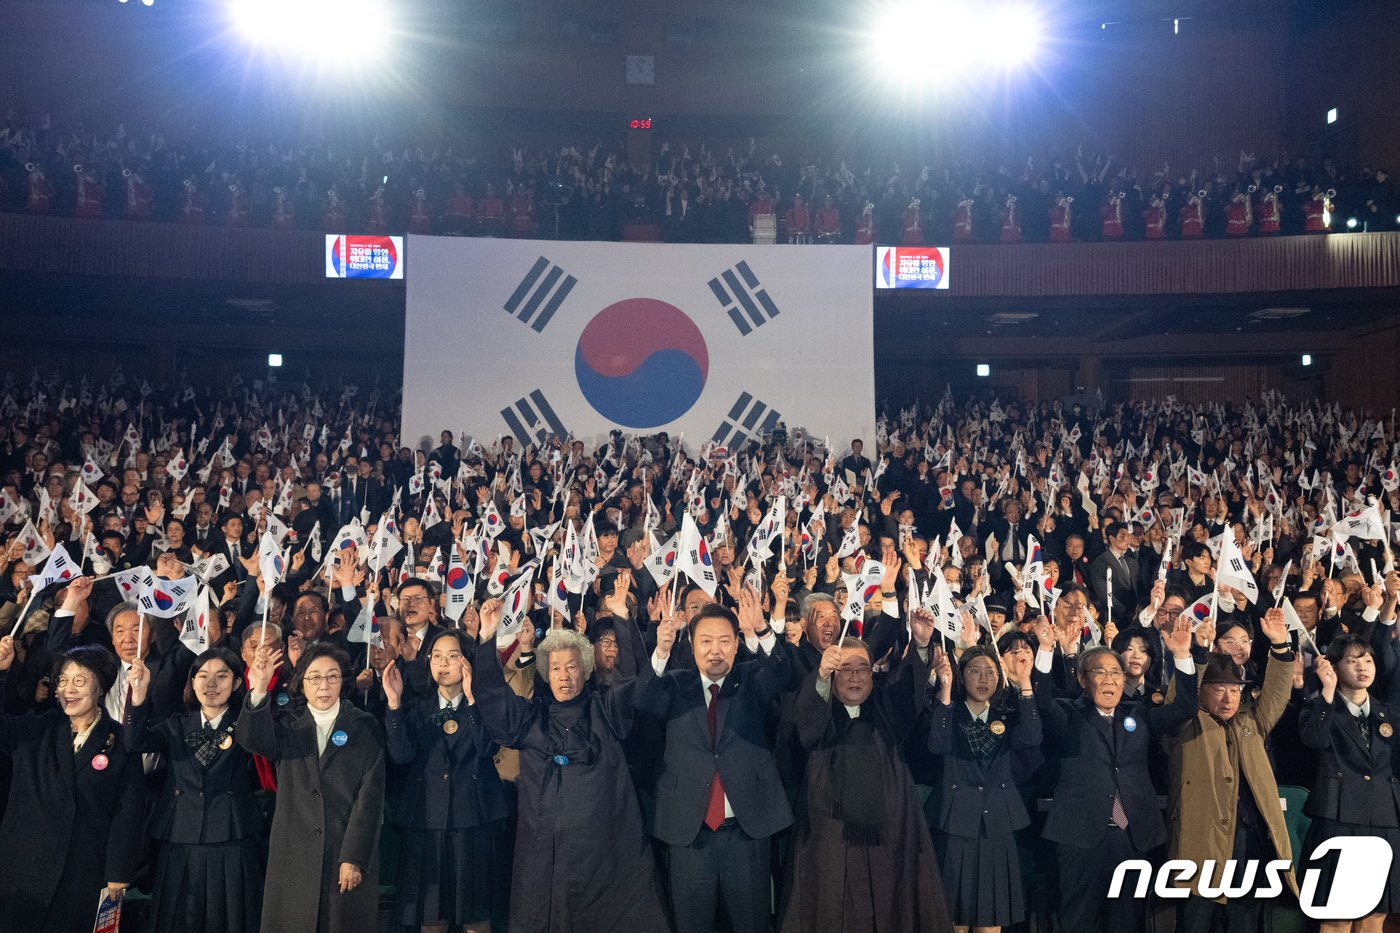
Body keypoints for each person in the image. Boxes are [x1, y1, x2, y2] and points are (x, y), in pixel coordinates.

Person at [472, 597, 667, 933]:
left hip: (604, 856)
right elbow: (492, 697)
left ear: (586, 669)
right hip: (543, 858)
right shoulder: (531, 718)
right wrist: (487, 638)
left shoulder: (605, 712)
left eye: (573, 666)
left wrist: (623, 620)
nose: (564, 676)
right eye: (557, 668)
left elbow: (627, 680)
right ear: (546, 673)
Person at [780, 607, 952, 933]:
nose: (856, 676)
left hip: (889, 840)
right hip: (829, 839)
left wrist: (919, 643)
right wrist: (819, 677)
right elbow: (806, 726)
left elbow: (906, 694)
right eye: (845, 669)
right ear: (832, 673)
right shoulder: (821, 710)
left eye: (863, 668)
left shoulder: (885, 710)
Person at [637, 589, 793, 933]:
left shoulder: (751, 679)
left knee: (752, 924)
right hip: (690, 834)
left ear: (737, 645)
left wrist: (763, 630)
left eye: (724, 641)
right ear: (690, 645)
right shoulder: (674, 684)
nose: (715, 650)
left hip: (746, 832)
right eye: (705, 641)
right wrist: (661, 650)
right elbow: (643, 699)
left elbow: (783, 675)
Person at [1032, 613, 1199, 933]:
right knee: (1077, 920)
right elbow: (1041, 702)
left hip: (1132, 835)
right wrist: (1044, 649)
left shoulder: (1139, 713)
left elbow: (1185, 709)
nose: (1109, 680)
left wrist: (1181, 655)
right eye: (1100, 672)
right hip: (1080, 835)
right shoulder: (1068, 714)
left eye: (1115, 673)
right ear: (1082, 679)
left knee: (1128, 921)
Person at [237, 642, 386, 933]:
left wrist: (353, 856)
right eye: (314, 677)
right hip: (293, 855)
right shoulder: (286, 724)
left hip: (342, 853)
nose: (324, 685)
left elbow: (370, 798)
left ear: (343, 681)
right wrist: (259, 689)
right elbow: (251, 739)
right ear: (301, 683)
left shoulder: (365, 726)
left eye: (332, 676)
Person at [0, 641, 145, 933]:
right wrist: (1, 673)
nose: (69, 689)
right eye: (63, 681)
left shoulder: (120, 741)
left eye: (79, 681)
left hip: (82, 866)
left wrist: (117, 871)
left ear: (101, 687)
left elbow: (127, 810)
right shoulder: (37, 729)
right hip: (24, 863)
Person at [1168, 607, 1297, 933]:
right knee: (1197, 921)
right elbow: (1179, 696)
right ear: (1202, 692)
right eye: (1219, 689)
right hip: (1205, 844)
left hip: (1252, 839)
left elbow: (1277, 694)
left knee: (1245, 921)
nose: (1229, 698)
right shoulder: (1187, 722)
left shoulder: (1251, 720)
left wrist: (1280, 646)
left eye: (1235, 690)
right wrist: (1194, 653)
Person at [125, 646, 265, 933]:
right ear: (192, 683)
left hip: (231, 836)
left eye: (221, 676)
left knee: (229, 919)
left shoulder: (246, 723)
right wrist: (138, 696)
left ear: (238, 682)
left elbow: (263, 742)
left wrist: (259, 690)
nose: (210, 684)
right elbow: (135, 742)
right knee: (178, 919)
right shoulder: (177, 723)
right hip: (180, 836)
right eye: (202, 676)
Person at [383, 628, 511, 933]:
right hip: (428, 821)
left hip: (474, 820)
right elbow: (401, 756)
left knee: (476, 916)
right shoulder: (416, 707)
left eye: (452, 656)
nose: (443, 664)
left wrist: (471, 698)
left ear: (467, 661)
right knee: (431, 916)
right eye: (436, 657)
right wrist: (393, 704)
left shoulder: (481, 704)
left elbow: (487, 747)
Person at [927, 641, 1041, 933]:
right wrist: (945, 690)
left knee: (991, 920)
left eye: (990, 673)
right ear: (961, 675)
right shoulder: (947, 712)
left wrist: (1024, 682)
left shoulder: (1008, 715)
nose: (983, 679)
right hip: (956, 823)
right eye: (975, 671)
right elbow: (937, 746)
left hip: (997, 824)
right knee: (955, 921)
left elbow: (1031, 738)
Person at [1298, 633, 1400, 933]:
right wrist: (1326, 693)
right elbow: (1313, 740)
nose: (1362, 667)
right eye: (1352, 661)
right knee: (1337, 916)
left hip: (1384, 821)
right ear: (1334, 668)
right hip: (1338, 820)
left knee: (1374, 917)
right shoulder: (1319, 707)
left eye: (1367, 660)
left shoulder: (1390, 714)